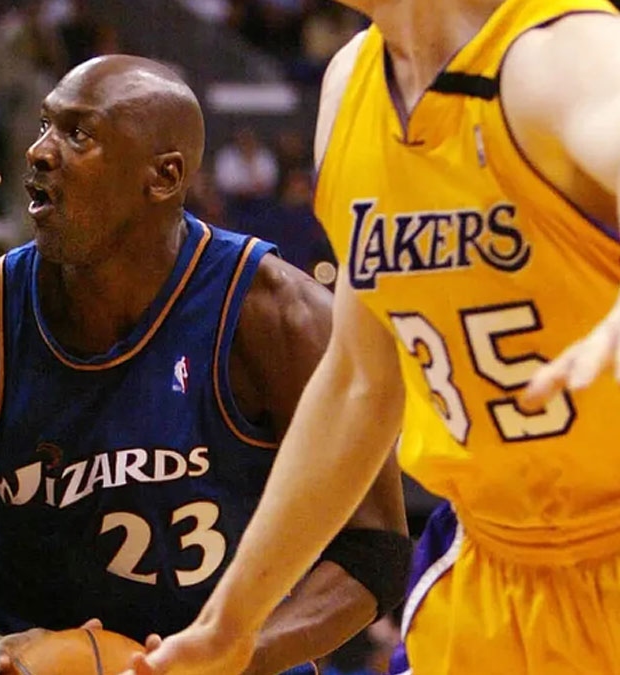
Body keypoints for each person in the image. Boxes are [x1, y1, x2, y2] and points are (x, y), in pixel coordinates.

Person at [0, 54, 411, 675]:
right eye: (45, 126)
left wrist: (236, 653)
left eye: (78, 134)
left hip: (221, 646)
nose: (39, 153)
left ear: (164, 176)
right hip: (13, 643)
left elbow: (374, 550)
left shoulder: (280, 318)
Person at [130, 0, 620, 673]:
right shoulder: (352, 85)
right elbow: (362, 382)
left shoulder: (557, 54)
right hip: (488, 575)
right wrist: (230, 621)